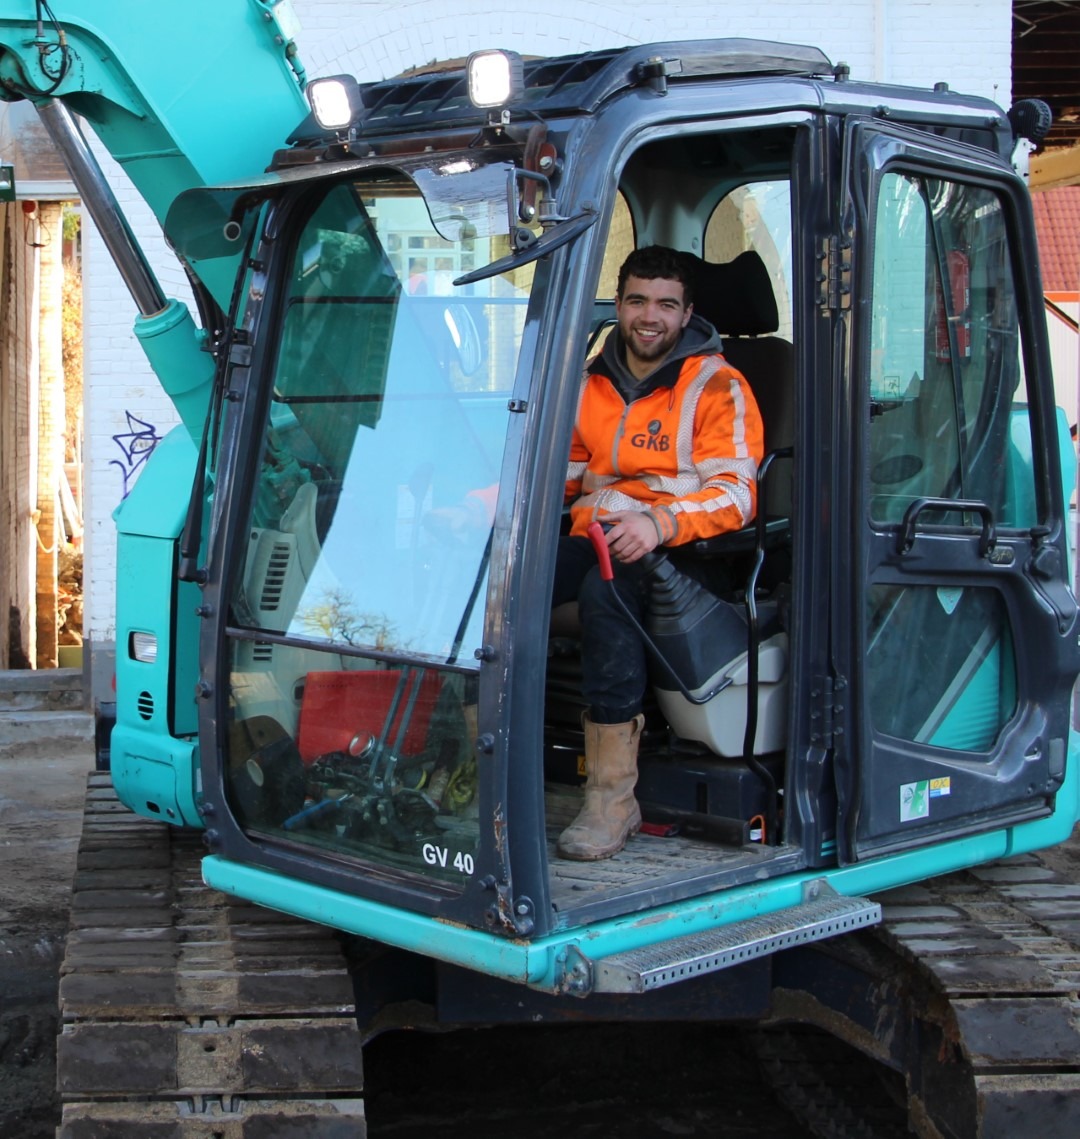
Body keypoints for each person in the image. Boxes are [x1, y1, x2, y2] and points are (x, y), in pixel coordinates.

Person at [553, 245, 764, 861]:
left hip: (690, 549)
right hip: (595, 537)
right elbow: (558, 476)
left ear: (687, 312)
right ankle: (470, 767)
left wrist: (660, 520)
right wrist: (480, 509)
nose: (651, 316)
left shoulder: (718, 385)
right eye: (638, 300)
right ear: (618, 305)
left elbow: (736, 493)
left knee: (607, 590)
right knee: (495, 581)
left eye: (666, 305)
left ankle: (612, 800)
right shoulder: (589, 381)